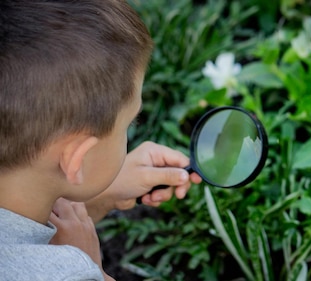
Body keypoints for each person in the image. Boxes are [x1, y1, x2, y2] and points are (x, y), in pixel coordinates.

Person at [0, 1, 201, 280]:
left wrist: (97, 194)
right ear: (77, 160)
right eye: (128, 125)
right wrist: (88, 266)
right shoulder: (69, 273)